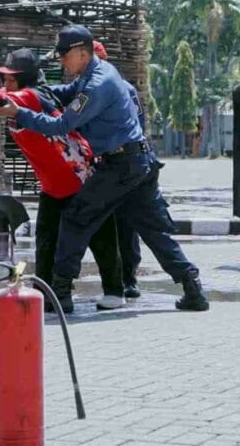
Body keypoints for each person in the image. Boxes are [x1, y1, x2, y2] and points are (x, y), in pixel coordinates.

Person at [0, 24, 209, 313]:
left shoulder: (97, 85)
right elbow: (66, 91)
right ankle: (191, 286)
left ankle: (60, 291)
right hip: (137, 163)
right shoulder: (95, 74)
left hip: (120, 165)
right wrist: (36, 94)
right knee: (154, 231)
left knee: (76, 217)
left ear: (82, 53)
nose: (61, 61)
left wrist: (20, 112)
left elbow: (62, 125)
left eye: (64, 56)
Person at [0, 47, 125, 310]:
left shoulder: (29, 97)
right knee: (47, 242)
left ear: (23, 80)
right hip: (53, 186)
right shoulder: (20, 95)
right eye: (4, 78)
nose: (5, 83)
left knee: (98, 239)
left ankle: (114, 292)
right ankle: (51, 295)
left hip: (80, 178)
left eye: (10, 79)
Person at [93, 40, 142, 299]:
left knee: (126, 223)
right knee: (110, 225)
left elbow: (138, 125)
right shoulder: (87, 89)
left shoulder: (123, 89)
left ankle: (129, 278)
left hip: (123, 164)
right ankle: (117, 280)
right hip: (102, 167)